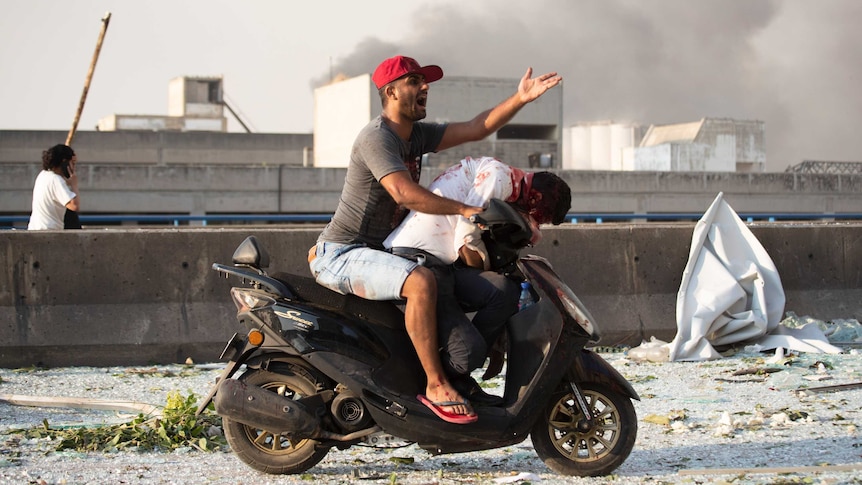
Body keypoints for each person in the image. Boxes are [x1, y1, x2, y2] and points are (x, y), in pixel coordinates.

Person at [308, 55, 561, 424]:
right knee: (422, 282)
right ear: (391, 92)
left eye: (425, 82)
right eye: (415, 81)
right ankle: (435, 383)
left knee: (499, 290)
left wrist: (520, 98)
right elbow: (404, 193)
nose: (425, 87)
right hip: (343, 253)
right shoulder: (377, 137)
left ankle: (460, 377)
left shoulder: (416, 135)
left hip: (379, 253)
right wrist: (463, 210)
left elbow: (477, 127)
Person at [384, 156, 572, 405]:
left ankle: (459, 374)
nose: (535, 223)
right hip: (418, 260)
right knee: (468, 354)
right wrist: (488, 266)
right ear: (535, 199)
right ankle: (434, 382)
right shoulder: (497, 178)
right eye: (539, 217)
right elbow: (465, 242)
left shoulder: (505, 183)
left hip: (442, 263)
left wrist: (494, 338)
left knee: (504, 291)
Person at [28, 144, 80, 230]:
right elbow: (74, 206)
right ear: (65, 162)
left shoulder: (43, 175)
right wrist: (74, 185)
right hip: (49, 231)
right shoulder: (56, 180)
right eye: (73, 163)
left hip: (36, 229)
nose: (73, 168)